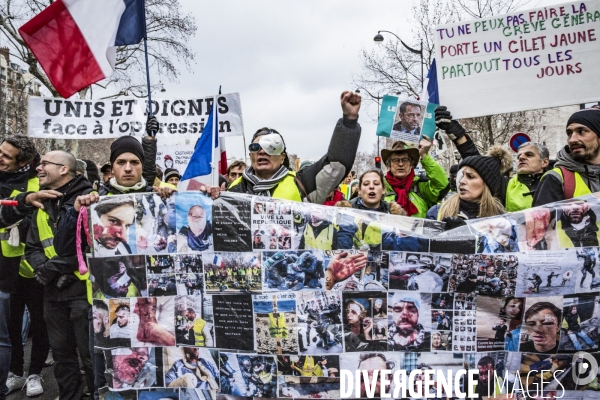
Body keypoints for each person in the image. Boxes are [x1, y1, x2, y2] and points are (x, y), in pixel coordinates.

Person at [19, 150, 95, 400]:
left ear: (64, 169)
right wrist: (45, 270)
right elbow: (32, 247)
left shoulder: (92, 200)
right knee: (62, 357)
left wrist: (55, 269)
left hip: (84, 293)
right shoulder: (41, 203)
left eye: (43, 164)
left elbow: (90, 246)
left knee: (91, 356)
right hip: (52, 292)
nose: (38, 168)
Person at [226, 91, 362, 203]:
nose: (262, 151)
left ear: (282, 157)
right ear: (251, 155)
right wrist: (207, 196)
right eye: (256, 146)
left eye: (271, 147)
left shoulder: (302, 183)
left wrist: (349, 121)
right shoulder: (233, 189)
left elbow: (335, 165)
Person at [435, 106, 549, 211]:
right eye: (519, 156)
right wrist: (455, 131)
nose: (522, 158)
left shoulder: (557, 181)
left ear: (544, 162)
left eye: (529, 155)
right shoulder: (507, 185)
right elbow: (475, 160)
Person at [0, 135, 41, 398]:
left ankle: (35, 372)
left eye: (5, 156)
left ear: (23, 162)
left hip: (37, 266)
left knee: (39, 323)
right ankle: (15, 371)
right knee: (12, 326)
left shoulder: (38, 181)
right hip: (5, 268)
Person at [427, 147, 511, 230]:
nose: (462, 181)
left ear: (487, 185)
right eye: (462, 175)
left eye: (470, 176)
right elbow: (423, 243)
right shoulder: (437, 212)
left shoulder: (501, 218)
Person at [533, 108, 600, 206]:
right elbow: (541, 220)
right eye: (569, 133)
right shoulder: (555, 178)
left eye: (581, 131)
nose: (572, 139)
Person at [381, 139, 448, 218]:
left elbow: (442, 185)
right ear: (389, 165)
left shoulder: (422, 186)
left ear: (411, 164)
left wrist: (425, 156)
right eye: (396, 160)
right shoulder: (381, 187)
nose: (401, 164)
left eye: (405, 160)